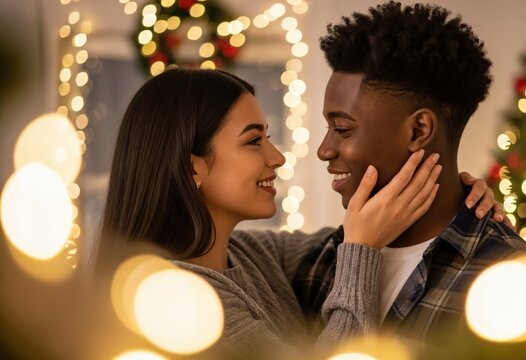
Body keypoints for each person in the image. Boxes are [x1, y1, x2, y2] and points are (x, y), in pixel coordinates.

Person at [96, 67, 457, 356]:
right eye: (254, 141)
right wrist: (362, 249)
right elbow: (355, 246)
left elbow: (344, 240)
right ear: (193, 169)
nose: (277, 157)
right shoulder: (176, 301)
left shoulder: (248, 255)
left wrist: (456, 192)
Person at [276, 1, 526, 351]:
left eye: (341, 128)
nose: (324, 149)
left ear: (418, 130)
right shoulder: (316, 262)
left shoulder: (511, 283)